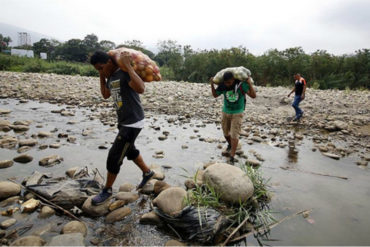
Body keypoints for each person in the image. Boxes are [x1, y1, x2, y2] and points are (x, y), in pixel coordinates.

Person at [89, 50, 154, 205]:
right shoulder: (110, 77)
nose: (100, 70)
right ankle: (147, 172)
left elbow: (141, 88)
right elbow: (105, 94)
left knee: (114, 156)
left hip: (133, 122)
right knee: (129, 149)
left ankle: (107, 191)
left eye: (101, 67)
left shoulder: (123, 73)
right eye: (97, 69)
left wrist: (129, 68)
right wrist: (101, 75)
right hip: (124, 121)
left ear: (110, 63)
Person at [210, 71, 256, 164]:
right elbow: (215, 95)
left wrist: (249, 84)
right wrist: (212, 84)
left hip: (237, 112)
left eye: (229, 83)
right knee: (226, 133)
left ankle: (232, 156)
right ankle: (231, 145)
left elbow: (253, 96)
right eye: (226, 82)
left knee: (234, 134)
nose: (227, 85)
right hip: (225, 111)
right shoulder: (223, 85)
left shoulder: (241, 85)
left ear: (233, 80)